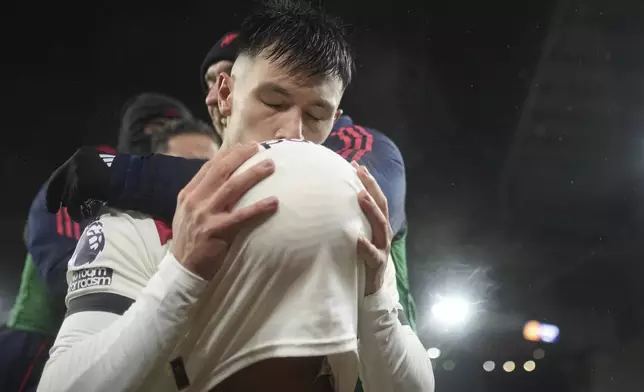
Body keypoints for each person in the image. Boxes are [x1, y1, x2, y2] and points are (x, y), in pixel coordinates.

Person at [40, 1, 434, 391]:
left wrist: (377, 305)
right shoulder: (137, 225)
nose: (292, 131)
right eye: (273, 102)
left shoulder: (353, 218)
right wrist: (180, 276)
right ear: (225, 95)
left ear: (336, 116)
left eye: (316, 115)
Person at [0, 93, 193, 392]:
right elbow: (62, 267)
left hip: (128, 345)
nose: (166, 136)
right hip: (39, 346)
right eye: (158, 127)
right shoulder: (90, 177)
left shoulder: (167, 199)